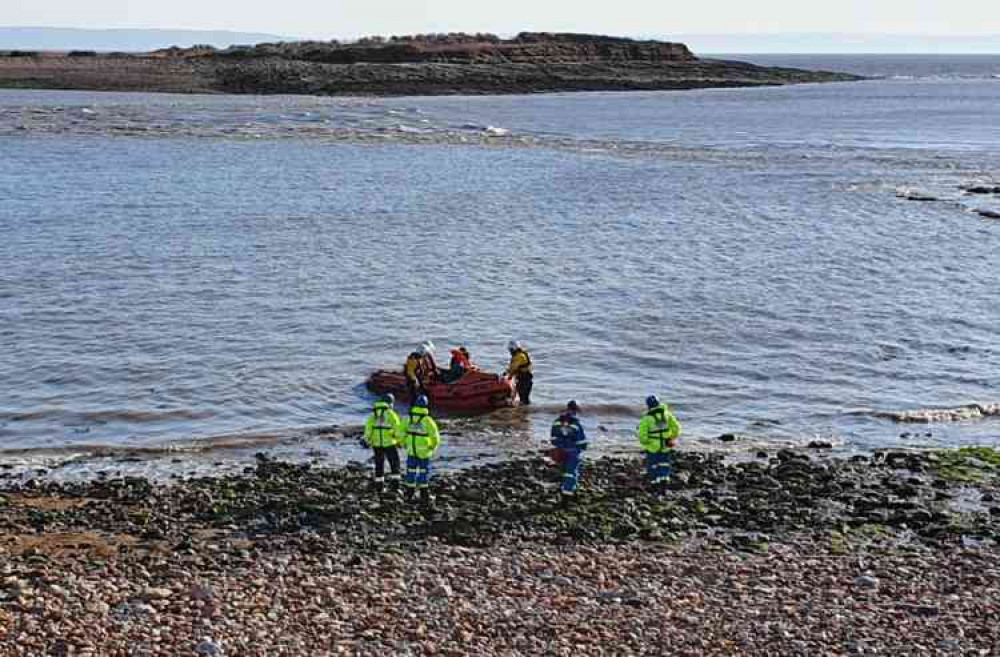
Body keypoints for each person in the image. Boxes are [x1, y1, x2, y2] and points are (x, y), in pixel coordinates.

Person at [398, 394, 441, 508]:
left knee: (410, 471)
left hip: (411, 451)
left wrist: (403, 443)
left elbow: (400, 432)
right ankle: (424, 493)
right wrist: (432, 447)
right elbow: (435, 437)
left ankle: (409, 492)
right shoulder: (428, 420)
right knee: (423, 472)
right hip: (424, 452)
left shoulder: (408, 419)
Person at [637, 395, 681, 494]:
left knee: (652, 464)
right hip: (666, 445)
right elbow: (677, 428)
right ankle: (664, 478)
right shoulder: (666, 415)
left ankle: (655, 481)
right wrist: (672, 437)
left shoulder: (647, 419)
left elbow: (642, 436)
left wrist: (646, 442)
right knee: (664, 462)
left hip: (653, 446)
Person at [362, 394, 402, 494]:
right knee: (395, 464)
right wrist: (400, 441)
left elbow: (368, 430)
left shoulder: (373, 415)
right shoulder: (391, 415)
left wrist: (367, 440)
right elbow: (398, 430)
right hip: (389, 444)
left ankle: (379, 488)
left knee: (379, 465)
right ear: (390, 404)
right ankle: (395, 487)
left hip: (377, 445)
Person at [550, 400, 588, 506]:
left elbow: (553, 438)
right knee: (571, 473)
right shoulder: (576, 423)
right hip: (573, 452)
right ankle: (566, 497)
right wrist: (581, 448)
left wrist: (560, 445)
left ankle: (573, 493)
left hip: (561, 451)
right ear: (576, 410)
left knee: (565, 472)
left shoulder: (557, 421)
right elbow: (582, 441)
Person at [505, 340, 533, 405]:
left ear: (514, 349)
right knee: (523, 398)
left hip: (525, 379)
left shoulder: (520, 356)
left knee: (524, 398)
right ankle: (525, 411)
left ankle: (524, 412)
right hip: (523, 379)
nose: (510, 352)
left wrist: (507, 374)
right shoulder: (518, 355)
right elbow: (513, 368)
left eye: (510, 350)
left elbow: (513, 368)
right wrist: (509, 375)